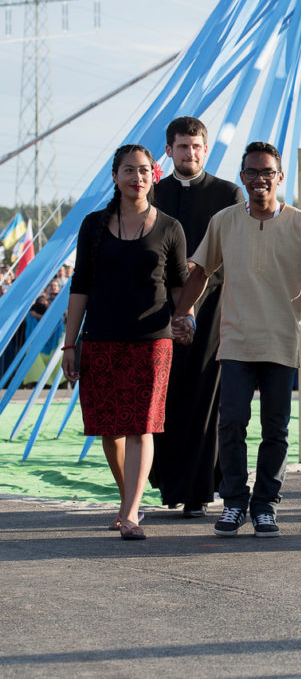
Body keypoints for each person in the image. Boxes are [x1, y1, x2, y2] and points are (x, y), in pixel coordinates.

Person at [171, 141, 301, 538]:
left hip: (280, 342)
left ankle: (265, 506)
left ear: (279, 178)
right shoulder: (224, 220)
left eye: (267, 173)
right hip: (237, 341)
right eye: (251, 173)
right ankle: (234, 504)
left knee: (276, 429)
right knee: (232, 425)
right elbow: (200, 272)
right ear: (242, 178)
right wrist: (183, 312)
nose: (259, 180)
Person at [62, 144, 190, 540]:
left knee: (140, 426)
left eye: (144, 171)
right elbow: (80, 285)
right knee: (109, 430)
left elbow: (180, 288)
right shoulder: (93, 225)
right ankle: (127, 498)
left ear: (154, 174)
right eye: (129, 171)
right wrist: (70, 345)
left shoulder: (170, 227)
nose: (138, 178)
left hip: (152, 341)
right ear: (114, 177)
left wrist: (188, 320)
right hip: (101, 338)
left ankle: (131, 512)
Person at [149, 116, 245, 519]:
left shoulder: (228, 193)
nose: (190, 153)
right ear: (169, 150)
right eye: (182, 147)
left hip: (212, 311)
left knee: (206, 398)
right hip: (159, 312)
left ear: (206, 149)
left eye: (197, 146)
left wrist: (196, 279)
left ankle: (199, 490)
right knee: (163, 396)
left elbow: (237, 251)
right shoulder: (150, 193)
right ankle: (168, 483)